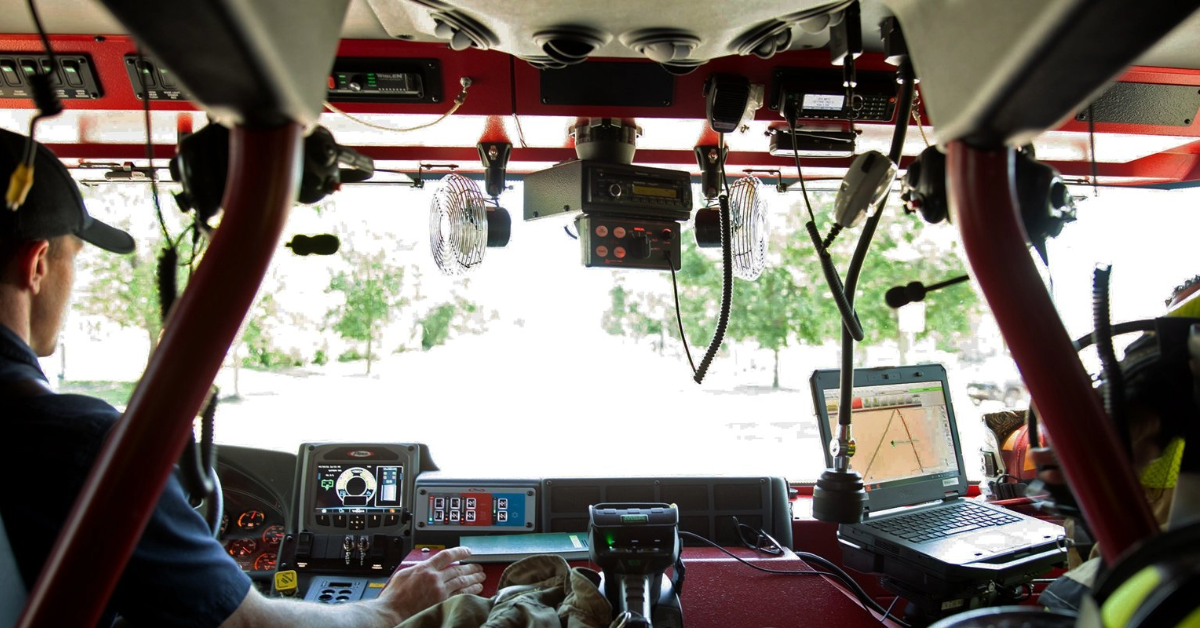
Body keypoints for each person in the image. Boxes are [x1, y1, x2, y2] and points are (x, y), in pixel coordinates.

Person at [0, 127, 485, 627]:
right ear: (37, 263)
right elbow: (250, 625)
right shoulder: (78, 446)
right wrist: (390, 608)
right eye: (74, 259)